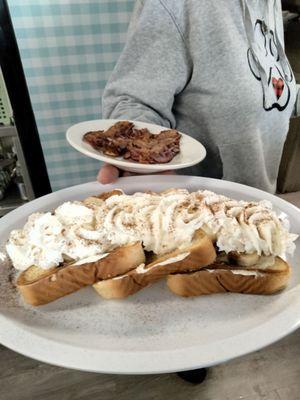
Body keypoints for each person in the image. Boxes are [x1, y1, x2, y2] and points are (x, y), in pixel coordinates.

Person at [98, 0, 299, 193]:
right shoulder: (178, 4)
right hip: (192, 211)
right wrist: (142, 159)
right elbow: (133, 100)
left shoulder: (269, 3)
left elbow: (268, 94)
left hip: (257, 207)